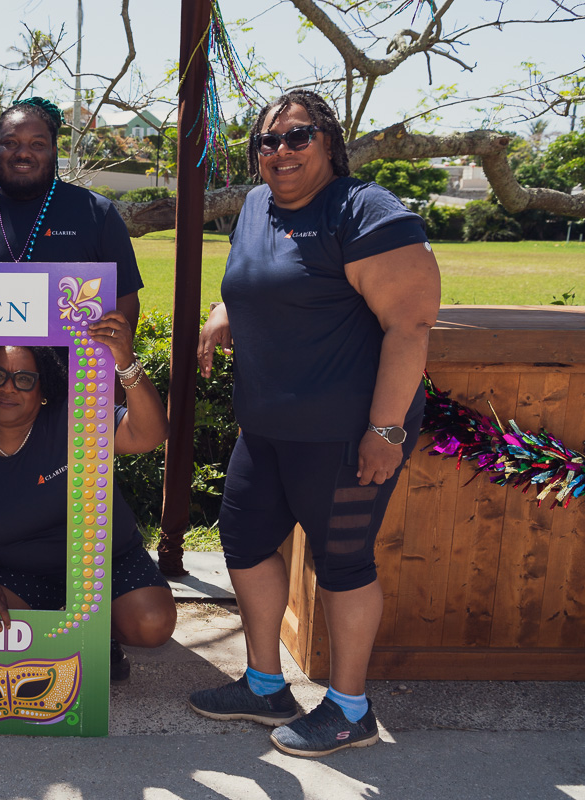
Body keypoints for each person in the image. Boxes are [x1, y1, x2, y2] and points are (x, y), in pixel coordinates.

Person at [187, 89, 440, 756]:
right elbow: (260, 280)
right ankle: (264, 685)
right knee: (244, 543)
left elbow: (411, 326)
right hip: (265, 428)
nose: (281, 151)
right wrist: (222, 311)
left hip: (344, 435)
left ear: (328, 142)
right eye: (267, 141)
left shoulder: (364, 210)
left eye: (297, 136)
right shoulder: (255, 205)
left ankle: (350, 709)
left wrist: (386, 431)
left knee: (343, 564)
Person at [0, 316, 177, 681]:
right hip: (23, 572)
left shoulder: (74, 419)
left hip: (106, 562)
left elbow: (149, 434)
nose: (8, 388)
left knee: (152, 623)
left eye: (24, 379)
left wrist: (126, 361)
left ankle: (101, 634)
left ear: (43, 389)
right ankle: (59, 637)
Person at [0, 97, 143, 329]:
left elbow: (125, 298)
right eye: (10, 143)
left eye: (37, 144)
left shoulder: (97, 213)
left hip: (76, 353)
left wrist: (113, 348)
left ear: (53, 152)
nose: (23, 153)